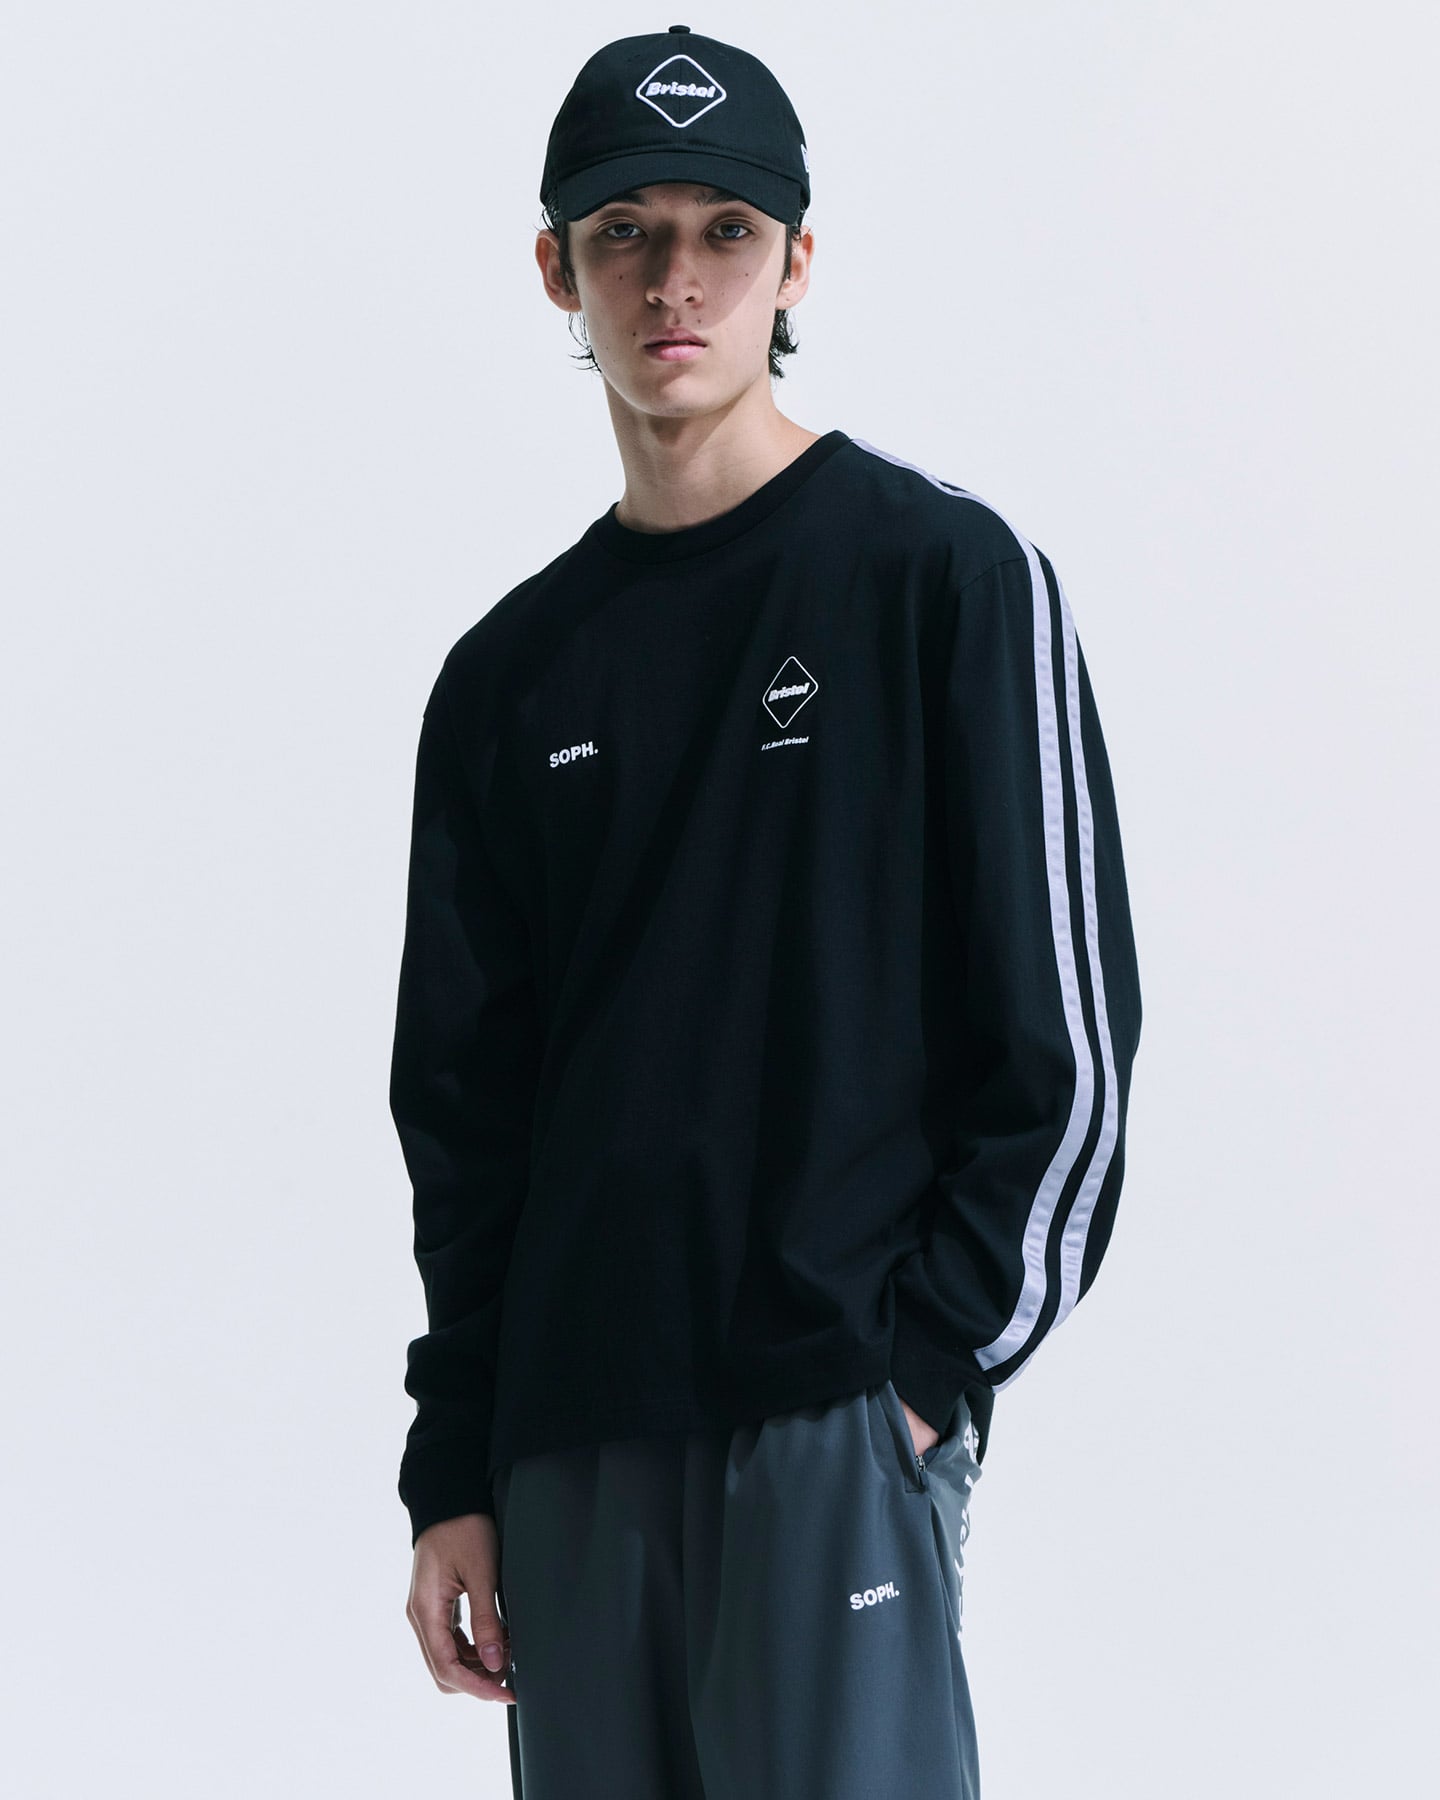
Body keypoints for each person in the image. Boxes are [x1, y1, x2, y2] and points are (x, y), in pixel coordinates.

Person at [389, 24, 1142, 1799]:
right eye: (625, 234)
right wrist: (457, 1469)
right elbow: (466, 1123)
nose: (675, 280)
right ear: (556, 271)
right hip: (569, 1452)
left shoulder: (942, 579)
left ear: (798, 260)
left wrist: (925, 1376)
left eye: (724, 230)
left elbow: (1067, 1050)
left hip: (831, 1423)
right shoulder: (507, 677)